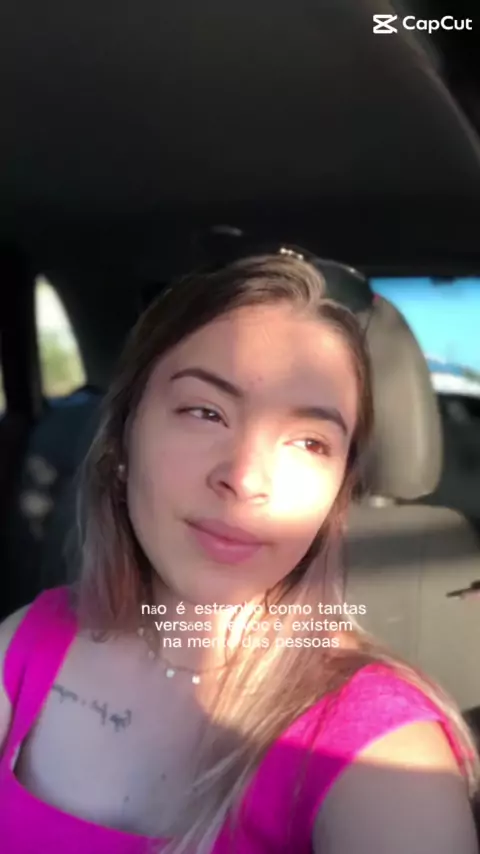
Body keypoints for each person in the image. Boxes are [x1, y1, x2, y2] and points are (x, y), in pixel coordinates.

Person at [0, 249, 478, 854]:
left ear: (337, 491)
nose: (246, 478)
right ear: (122, 442)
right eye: (205, 412)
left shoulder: (382, 749)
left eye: (309, 442)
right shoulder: (29, 636)